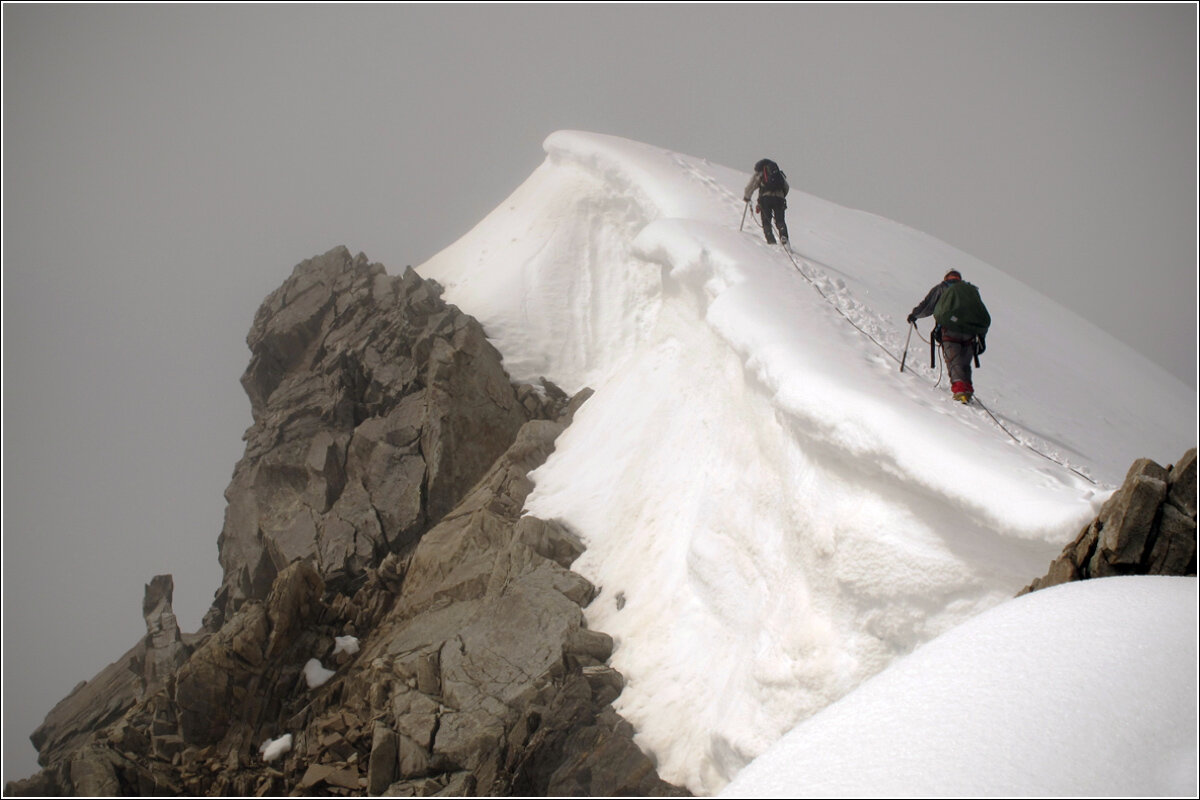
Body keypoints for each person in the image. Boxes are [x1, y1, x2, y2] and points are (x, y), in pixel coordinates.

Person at [907, 269, 991, 403]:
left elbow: (927, 306)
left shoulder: (942, 288)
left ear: (946, 278)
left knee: (954, 360)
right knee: (964, 362)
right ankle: (967, 390)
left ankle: (960, 391)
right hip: (970, 332)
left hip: (949, 330)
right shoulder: (971, 291)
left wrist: (914, 315)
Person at [744, 159, 790, 245]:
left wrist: (747, 196)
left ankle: (771, 240)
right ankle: (784, 237)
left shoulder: (760, 173)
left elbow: (751, 186)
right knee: (780, 220)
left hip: (765, 199)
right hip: (779, 198)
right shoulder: (778, 174)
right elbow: (786, 187)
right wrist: (781, 196)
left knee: (766, 221)